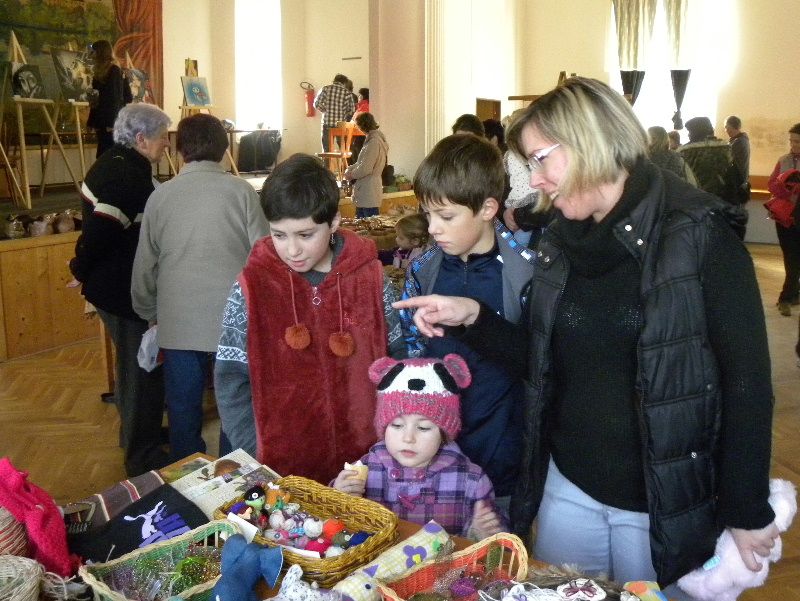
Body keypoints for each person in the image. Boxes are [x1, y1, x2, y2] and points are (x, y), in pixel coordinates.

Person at [394, 77, 776, 596]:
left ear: (587, 143)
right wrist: (473, 318)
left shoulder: (697, 234)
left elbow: (747, 384)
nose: (535, 180)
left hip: (659, 496)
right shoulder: (560, 239)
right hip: (569, 484)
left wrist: (747, 506)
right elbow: (543, 360)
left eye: (539, 160)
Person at [214, 154, 405, 485]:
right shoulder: (251, 287)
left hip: (367, 465)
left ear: (332, 223)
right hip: (283, 471)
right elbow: (231, 379)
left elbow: (400, 362)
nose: (292, 250)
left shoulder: (372, 279)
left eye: (305, 235)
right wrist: (255, 449)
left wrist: (393, 442)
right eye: (279, 235)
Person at [400, 133, 536, 515]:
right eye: (428, 215)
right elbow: (410, 357)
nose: (432, 229)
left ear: (488, 208)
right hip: (435, 467)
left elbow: (539, 364)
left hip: (503, 462)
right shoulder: (423, 272)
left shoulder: (526, 275)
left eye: (446, 217)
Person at [131, 113, 269, 461]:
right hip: (233, 320)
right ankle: (232, 475)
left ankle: (188, 476)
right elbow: (265, 256)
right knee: (234, 404)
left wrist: (147, 310)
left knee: (182, 407)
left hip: (178, 322)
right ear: (225, 149)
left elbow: (145, 265)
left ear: (180, 151)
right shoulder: (242, 192)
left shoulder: (160, 197)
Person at [68, 103, 172, 477]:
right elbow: (98, 235)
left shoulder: (118, 162)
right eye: (162, 138)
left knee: (134, 369)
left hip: (115, 288)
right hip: (122, 292)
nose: (166, 145)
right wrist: (78, 269)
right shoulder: (125, 177)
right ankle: (141, 456)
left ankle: (136, 433)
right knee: (143, 371)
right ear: (141, 139)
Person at [332, 354, 505, 539]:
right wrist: (338, 495)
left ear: (443, 433)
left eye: (423, 427)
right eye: (397, 425)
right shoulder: (367, 467)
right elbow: (333, 524)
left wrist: (478, 533)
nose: (408, 438)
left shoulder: (472, 481)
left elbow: (500, 542)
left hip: (444, 565)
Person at [768, 122, 800, 317]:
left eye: (797, 141)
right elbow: (772, 183)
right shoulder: (783, 160)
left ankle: (793, 294)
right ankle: (786, 297)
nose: (793, 145)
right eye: (791, 141)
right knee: (791, 257)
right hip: (785, 217)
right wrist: (786, 189)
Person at [86, 40, 132, 158]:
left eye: (94, 52)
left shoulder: (114, 71)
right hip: (102, 123)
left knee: (109, 155)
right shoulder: (99, 73)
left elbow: (116, 98)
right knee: (103, 155)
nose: (92, 55)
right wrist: (91, 122)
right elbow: (96, 101)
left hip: (111, 123)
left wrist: (113, 123)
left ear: (100, 52)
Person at [343, 112, 387, 218]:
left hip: (369, 189)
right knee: (364, 225)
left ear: (363, 125)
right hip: (368, 187)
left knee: (368, 227)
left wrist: (350, 174)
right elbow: (362, 162)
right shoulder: (374, 140)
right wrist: (350, 168)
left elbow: (365, 168)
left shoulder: (373, 142)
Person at [677, 117, 733, 199]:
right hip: (722, 193)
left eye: (690, 131)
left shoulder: (684, 151)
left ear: (696, 131)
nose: (688, 134)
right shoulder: (725, 147)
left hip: (696, 195)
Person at [313, 74, 355, 152]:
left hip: (327, 123)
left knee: (327, 150)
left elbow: (316, 104)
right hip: (340, 125)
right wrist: (343, 113)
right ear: (344, 83)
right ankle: (343, 163)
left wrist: (325, 111)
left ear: (334, 81)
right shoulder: (347, 93)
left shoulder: (325, 89)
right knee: (343, 150)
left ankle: (327, 164)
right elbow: (352, 110)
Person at [725, 115, 752, 204]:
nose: (726, 131)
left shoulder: (738, 142)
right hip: (740, 181)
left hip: (737, 182)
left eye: (728, 128)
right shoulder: (742, 140)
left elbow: (725, 157)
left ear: (734, 127)